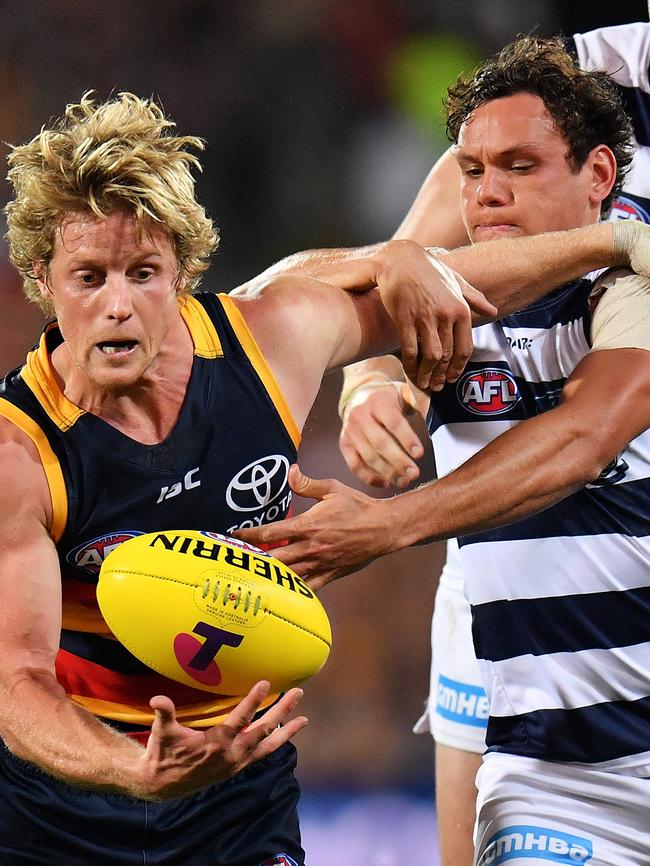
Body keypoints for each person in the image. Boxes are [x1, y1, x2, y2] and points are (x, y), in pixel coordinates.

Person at [1, 90, 629, 865]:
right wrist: (134, 768)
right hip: (63, 813)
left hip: (238, 792)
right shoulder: (19, 453)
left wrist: (618, 244)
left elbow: (464, 285)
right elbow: (16, 683)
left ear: (184, 274)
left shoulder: (266, 347)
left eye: (145, 272)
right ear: (42, 277)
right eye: (89, 277)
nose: (120, 306)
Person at [238, 37, 650, 865]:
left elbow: (586, 434)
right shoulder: (610, 63)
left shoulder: (631, 290)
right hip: (556, 768)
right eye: (473, 171)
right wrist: (372, 366)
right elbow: (264, 308)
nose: (489, 191)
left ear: (600, 176)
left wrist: (388, 527)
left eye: (522, 168)